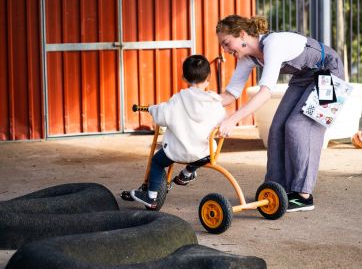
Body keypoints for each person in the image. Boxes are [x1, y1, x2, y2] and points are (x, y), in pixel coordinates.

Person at [216, 15, 344, 212]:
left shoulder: (273, 45)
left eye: (226, 43)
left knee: (298, 126)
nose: (225, 50)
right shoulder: (247, 57)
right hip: (303, 77)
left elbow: (265, 92)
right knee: (277, 128)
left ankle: (303, 195)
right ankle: (277, 187)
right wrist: (198, 102)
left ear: (241, 34)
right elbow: (230, 94)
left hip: (328, 72)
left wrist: (233, 120)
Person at [130, 54, 226, 209]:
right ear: (209, 77)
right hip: (205, 153)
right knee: (201, 150)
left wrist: (152, 109)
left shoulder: (178, 99)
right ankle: (187, 173)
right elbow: (221, 118)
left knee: (157, 162)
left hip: (179, 152)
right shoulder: (214, 102)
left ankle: (151, 197)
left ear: (184, 77)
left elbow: (162, 116)